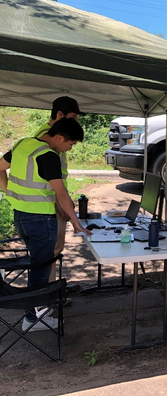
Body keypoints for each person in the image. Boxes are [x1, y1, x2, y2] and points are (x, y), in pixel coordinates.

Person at [0, 118, 92, 331]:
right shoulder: (48, 156)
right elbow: (60, 193)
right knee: (41, 268)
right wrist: (77, 223)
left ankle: (35, 313)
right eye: (71, 144)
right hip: (41, 219)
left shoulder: (23, 145)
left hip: (21, 216)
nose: (69, 148)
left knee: (37, 264)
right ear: (59, 138)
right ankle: (33, 319)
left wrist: (10, 194)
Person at [34, 97, 86, 282]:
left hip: (53, 198)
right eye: (73, 118)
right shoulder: (47, 139)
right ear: (59, 114)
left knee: (54, 250)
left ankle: (51, 293)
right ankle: (47, 299)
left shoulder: (54, 135)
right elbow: (51, 179)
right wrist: (64, 205)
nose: (75, 123)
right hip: (49, 201)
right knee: (51, 251)